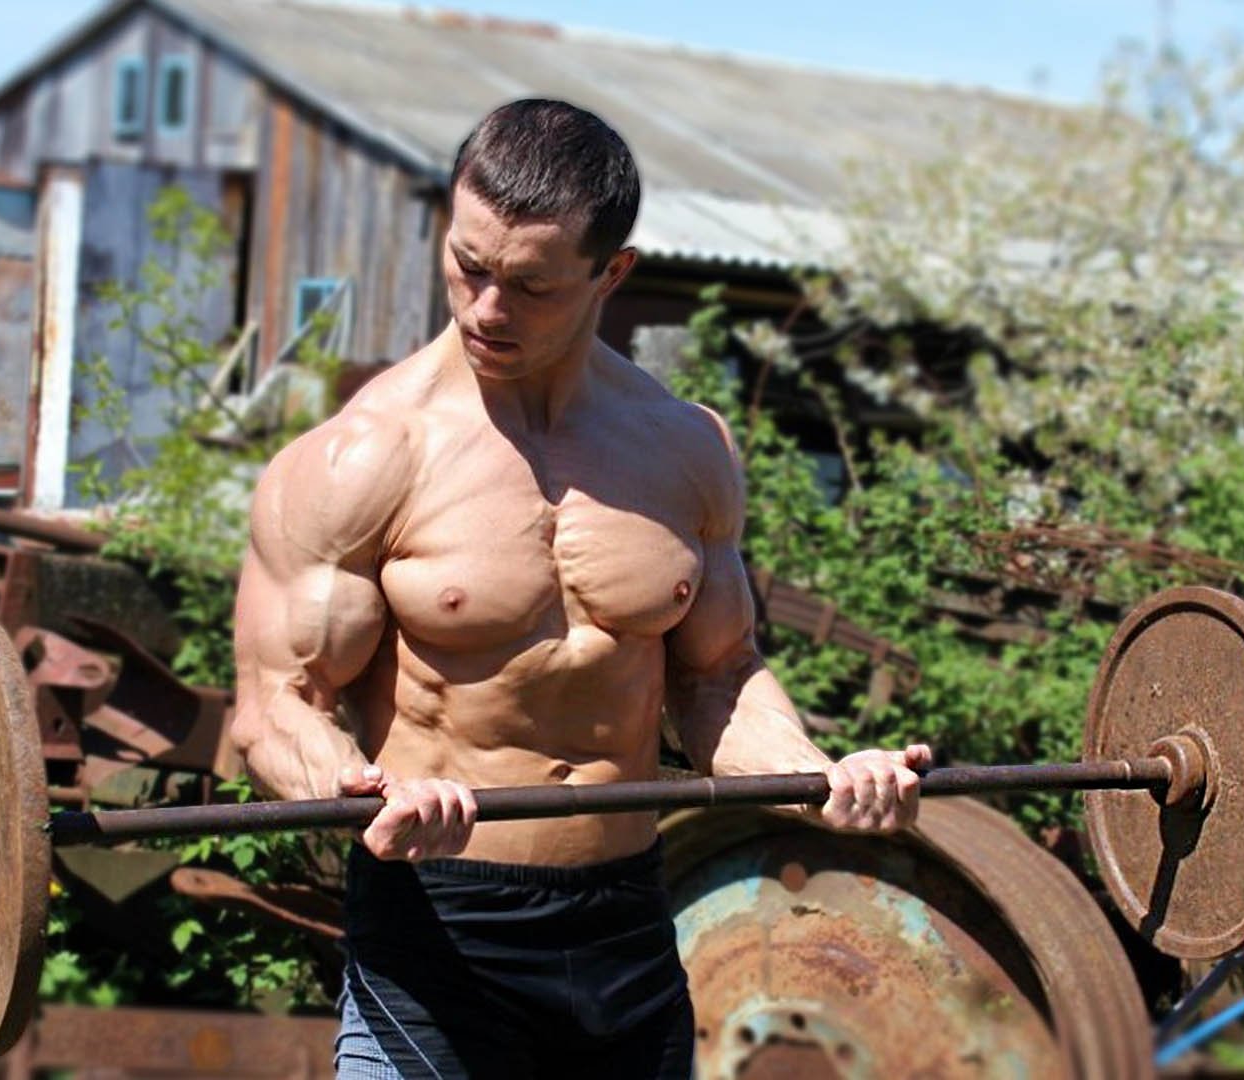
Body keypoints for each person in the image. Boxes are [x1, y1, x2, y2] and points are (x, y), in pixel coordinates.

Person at [230, 98, 929, 1080]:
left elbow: (719, 679)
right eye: (469, 266)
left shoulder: (684, 448)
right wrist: (360, 790)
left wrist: (822, 779)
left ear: (612, 274)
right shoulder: (361, 458)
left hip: (624, 933)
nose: (487, 309)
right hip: (436, 934)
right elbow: (275, 705)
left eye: (530, 285)